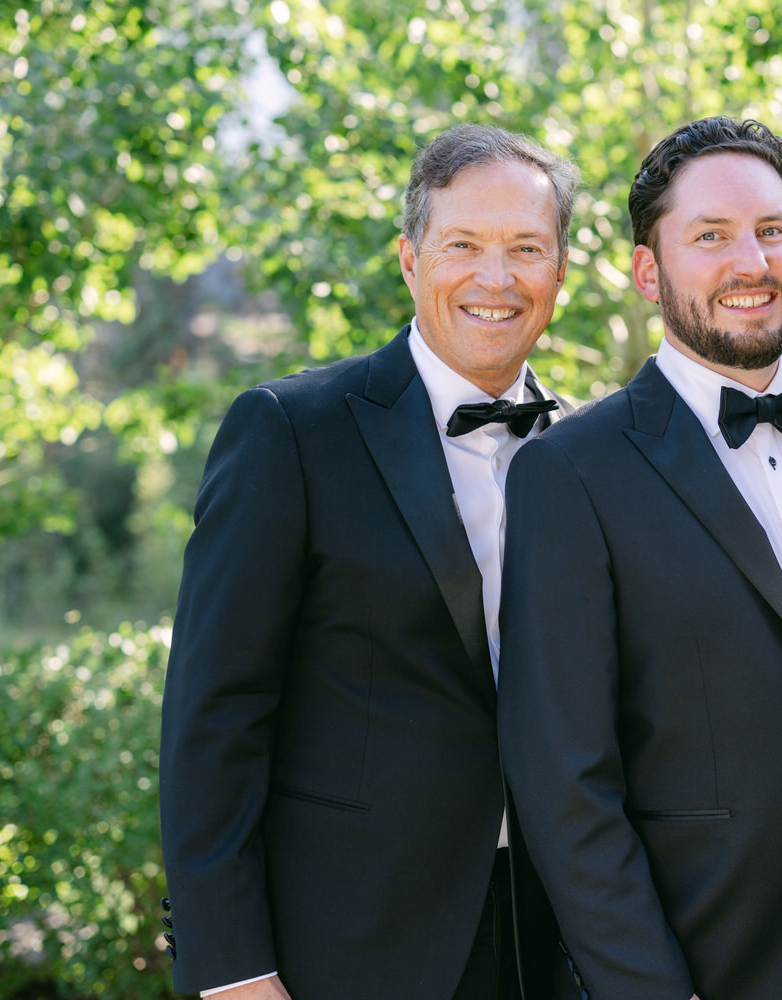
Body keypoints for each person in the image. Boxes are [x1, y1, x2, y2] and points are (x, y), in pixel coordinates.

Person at [497, 116, 782, 1000]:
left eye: (772, 230)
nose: (753, 262)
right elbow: (564, 782)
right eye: (711, 236)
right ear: (647, 271)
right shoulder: (571, 473)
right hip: (702, 958)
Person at [159, 123, 583, 1000]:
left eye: (526, 249)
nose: (496, 279)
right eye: (462, 244)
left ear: (561, 272)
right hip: (347, 945)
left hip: (558, 940)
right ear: (408, 260)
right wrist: (232, 968)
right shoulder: (290, 431)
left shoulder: (597, 450)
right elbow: (214, 716)